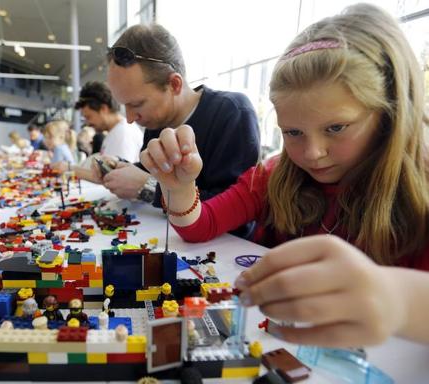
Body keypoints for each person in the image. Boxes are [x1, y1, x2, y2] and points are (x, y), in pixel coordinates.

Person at [140, 4, 429, 272]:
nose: (313, 153)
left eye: (336, 128)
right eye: (293, 132)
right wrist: (179, 189)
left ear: (389, 114)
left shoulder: (420, 199)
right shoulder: (272, 176)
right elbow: (200, 226)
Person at [104, 24, 260, 218]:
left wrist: (149, 188)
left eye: (137, 104)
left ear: (174, 84)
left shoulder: (232, 113)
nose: (129, 119)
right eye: (124, 106)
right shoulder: (156, 121)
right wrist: (116, 167)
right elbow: (148, 173)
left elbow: (237, 208)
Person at [236, 235, 429, 347]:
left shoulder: (419, 214)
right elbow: (211, 217)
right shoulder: (265, 179)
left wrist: (403, 300)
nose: (313, 161)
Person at [74, 81, 143, 163]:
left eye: (89, 117)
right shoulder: (116, 132)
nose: (87, 123)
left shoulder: (122, 134)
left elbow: (119, 173)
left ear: (103, 109)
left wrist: (71, 168)